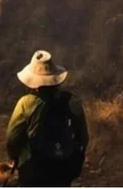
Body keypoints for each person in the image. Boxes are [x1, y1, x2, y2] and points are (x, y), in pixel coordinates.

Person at [6, 50, 89, 187]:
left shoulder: (25, 103)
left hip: (33, 169)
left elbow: (12, 139)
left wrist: (16, 158)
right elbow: (83, 138)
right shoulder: (72, 101)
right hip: (64, 168)